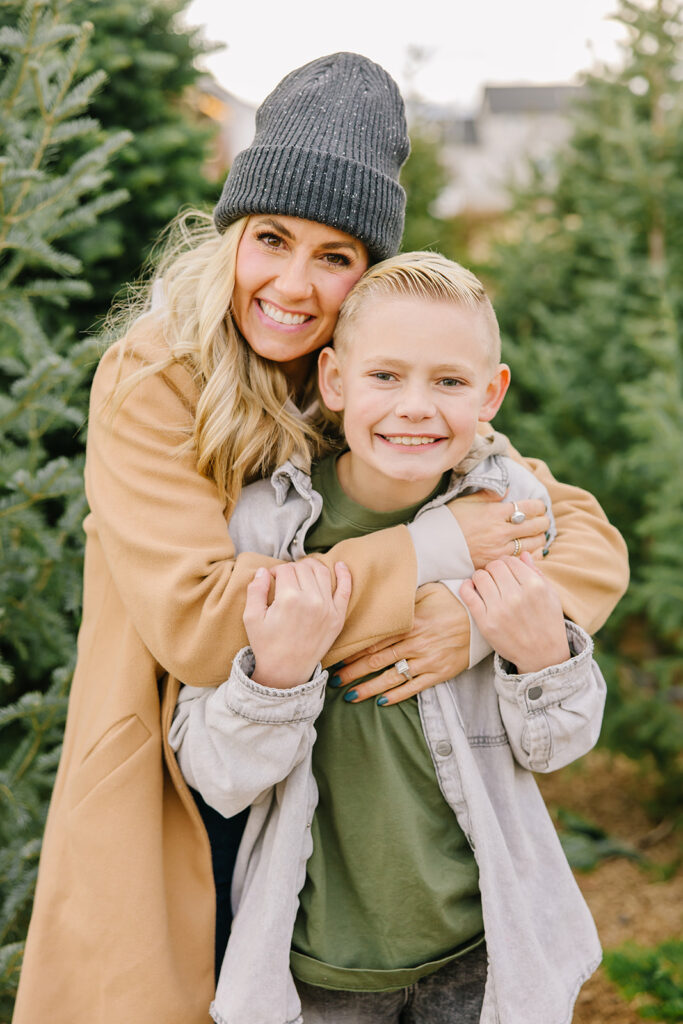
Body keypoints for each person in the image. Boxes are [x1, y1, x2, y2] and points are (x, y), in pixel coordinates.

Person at [13, 54, 628, 1024]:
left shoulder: (376, 380)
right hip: (183, 775)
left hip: (336, 813)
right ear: (231, 235)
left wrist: (465, 627)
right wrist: (430, 555)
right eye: (271, 238)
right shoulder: (154, 375)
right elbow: (200, 621)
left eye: (334, 256)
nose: (293, 284)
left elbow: (579, 532)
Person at [170, 251, 608, 1024]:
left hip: (483, 952)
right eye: (384, 377)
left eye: (447, 382)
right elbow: (219, 777)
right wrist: (275, 674)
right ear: (333, 381)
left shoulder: (509, 510)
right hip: (317, 964)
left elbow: (553, 749)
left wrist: (542, 655)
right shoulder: (263, 528)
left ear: (490, 394)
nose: (415, 407)